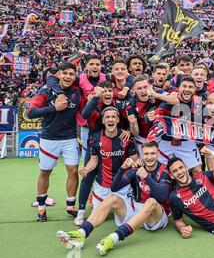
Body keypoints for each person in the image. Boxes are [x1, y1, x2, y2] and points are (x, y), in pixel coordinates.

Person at [57, 141, 172, 256]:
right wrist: (122, 168)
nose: (149, 157)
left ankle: (114, 238)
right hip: (139, 212)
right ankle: (81, 233)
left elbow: (162, 196)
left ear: (158, 154)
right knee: (112, 197)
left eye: (153, 153)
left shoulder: (164, 170)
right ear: (142, 154)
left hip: (157, 216)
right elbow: (115, 187)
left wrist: (147, 177)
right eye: (146, 154)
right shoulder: (137, 169)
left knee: (151, 202)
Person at [27, 62, 84, 222]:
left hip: (70, 138)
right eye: (64, 73)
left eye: (71, 74)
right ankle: (41, 208)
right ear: (59, 74)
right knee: (45, 172)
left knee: (73, 171)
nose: (67, 77)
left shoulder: (77, 90)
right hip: (48, 138)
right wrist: (54, 108)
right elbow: (31, 113)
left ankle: (70, 206)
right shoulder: (45, 90)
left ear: (75, 76)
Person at [74, 81, 130, 225]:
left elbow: (128, 119)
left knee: (123, 171)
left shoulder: (118, 105)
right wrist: (94, 97)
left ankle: (128, 203)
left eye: (110, 91)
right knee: (88, 175)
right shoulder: (95, 105)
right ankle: (81, 212)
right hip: (95, 144)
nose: (107, 93)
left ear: (113, 92)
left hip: (116, 143)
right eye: (104, 91)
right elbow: (85, 114)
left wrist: (128, 131)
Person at [79, 106, 138, 209]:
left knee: (128, 215)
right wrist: (86, 169)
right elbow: (94, 160)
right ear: (103, 120)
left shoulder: (126, 138)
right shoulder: (96, 138)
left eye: (113, 117)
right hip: (103, 185)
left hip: (122, 184)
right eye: (107, 117)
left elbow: (135, 159)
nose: (110, 119)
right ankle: (95, 197)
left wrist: (131, 163)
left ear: (118, 119)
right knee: (97, 214)